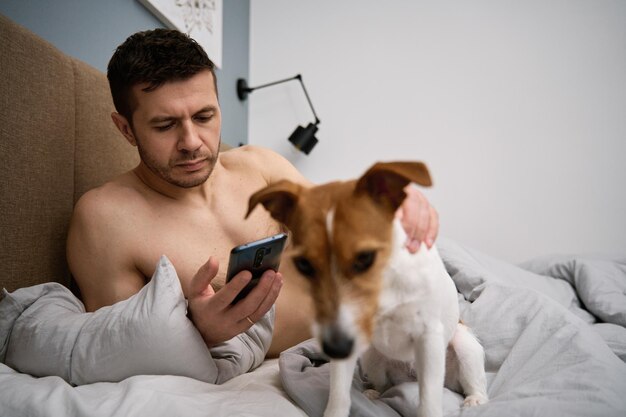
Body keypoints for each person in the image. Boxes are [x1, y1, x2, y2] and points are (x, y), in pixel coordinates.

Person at [67, 29, 439, 358]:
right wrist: (200, 334)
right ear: (126, 129)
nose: (192, 142)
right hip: (316, 355)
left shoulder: (259, 164)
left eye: (204, 116)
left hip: (377, 326)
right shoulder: (105, 219)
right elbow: (117, 352)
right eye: (165, 125)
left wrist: (398, 202)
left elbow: (344, 221)